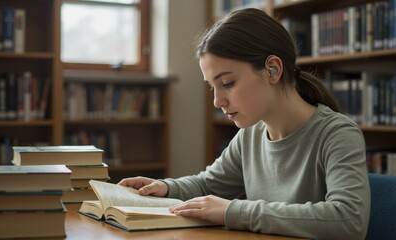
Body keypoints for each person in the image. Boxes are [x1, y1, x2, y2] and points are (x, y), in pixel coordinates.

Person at [118, 8, 370, 240]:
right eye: (212, 87)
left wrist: (235, 211)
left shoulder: (337, 134)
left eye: (227, 83)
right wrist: (164, 187)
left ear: (272, 70)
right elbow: (208, 185)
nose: (217, 101)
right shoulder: (250, 134)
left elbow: (348, 219)